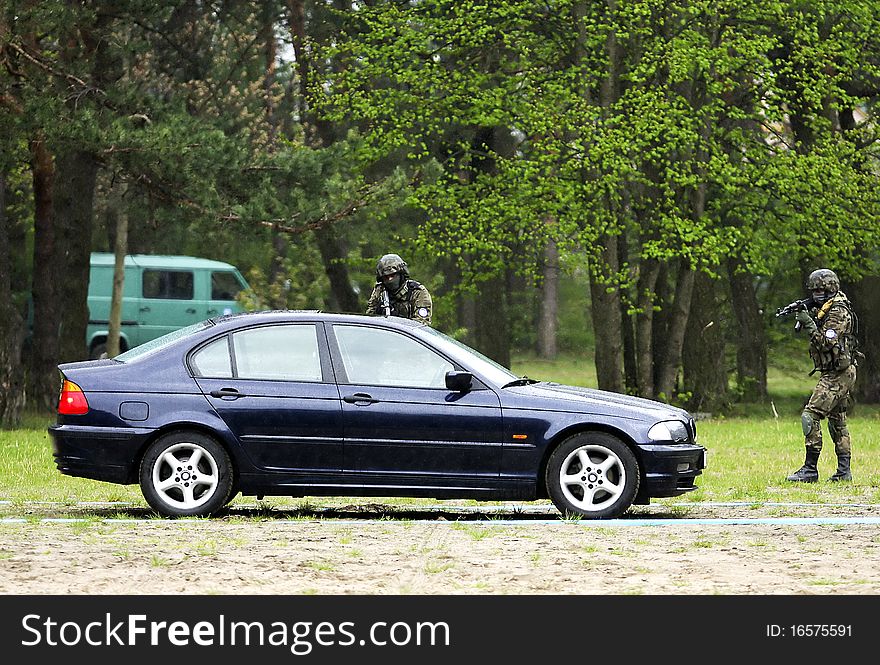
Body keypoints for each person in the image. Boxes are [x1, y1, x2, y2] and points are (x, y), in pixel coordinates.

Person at [786, 268, 860, 483]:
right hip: (837, 371)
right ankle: (843, 472)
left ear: (830, 289)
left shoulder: (838, 311)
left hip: (839, 374)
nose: (816, 294)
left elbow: (826, 342)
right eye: (814, 291)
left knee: (810, 416)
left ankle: (810, 469)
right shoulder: (825, 307)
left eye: (820, 290)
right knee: (837, 421)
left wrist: (808, 323)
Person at [365, 253, 432, 325]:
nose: (390, 279)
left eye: (392, 275)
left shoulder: (417, 292)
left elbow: (421, 324)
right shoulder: (380, 291)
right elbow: (370, 319)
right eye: (386, 277)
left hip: (405, 334)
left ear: (401, 274)